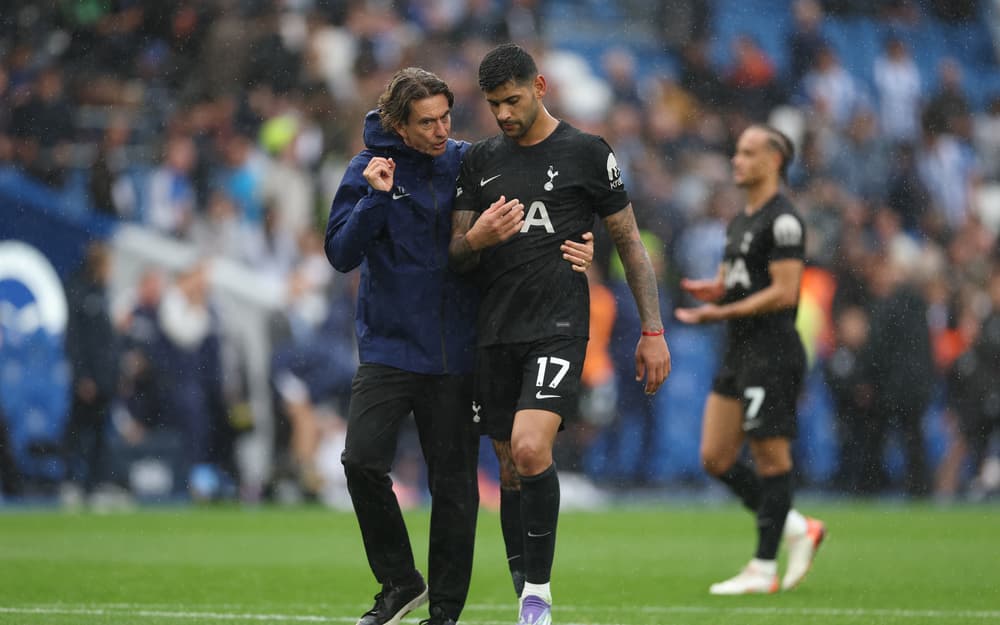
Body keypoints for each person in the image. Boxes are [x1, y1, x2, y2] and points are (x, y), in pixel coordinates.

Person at [324, 67, 593, 625]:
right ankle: (400, 581)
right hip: (389, 350)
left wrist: (579, 244)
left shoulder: (469, 162)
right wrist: (374, 200)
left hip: (456, 352)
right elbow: (340, 254)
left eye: (446, 116)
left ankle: (444, 612)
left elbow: (537, 216)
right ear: (398, 124)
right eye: (427, 122)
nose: (441, 130)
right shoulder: (368, 170)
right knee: (360, 461)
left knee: (454, 488)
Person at [448, 43, 671, 625]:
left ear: (540, 86)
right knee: (509, 463)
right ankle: (524, 588)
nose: (502, 114)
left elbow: (628, 243)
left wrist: (652, 328)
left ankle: (538, 594)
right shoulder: (479, 161)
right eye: (494, 104)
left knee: (529, 446)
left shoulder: (587, 153)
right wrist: (478, 239)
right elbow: (455, 255)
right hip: (495, 330)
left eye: (513, 100)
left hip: (560, 328)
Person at [674, 124, 826, 594]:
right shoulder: (740, 220)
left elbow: (784, 293)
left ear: (774, 160)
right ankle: (797, 526)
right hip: (738, 350)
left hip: (772, 351)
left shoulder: (784, 221)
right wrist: (715, 289)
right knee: (716, 457)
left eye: (747, 152)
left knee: (769, 455)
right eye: (736, 151)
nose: (736, 160)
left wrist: (722, 310)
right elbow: (740, 278)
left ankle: (763, 567)